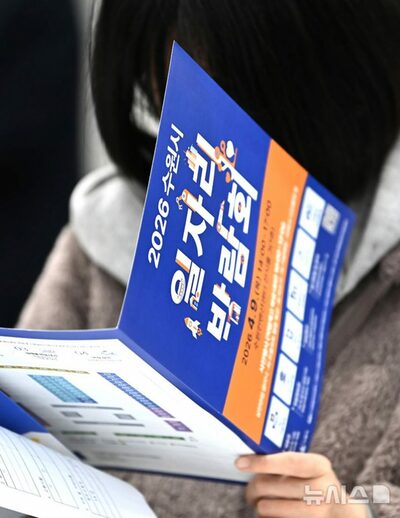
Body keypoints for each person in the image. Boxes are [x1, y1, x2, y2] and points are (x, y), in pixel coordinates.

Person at [17, 1, 400, 517]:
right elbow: (24, 431)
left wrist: (351, 512)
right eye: (169, 98)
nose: (212, 147)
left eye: (232, 103)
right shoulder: (106, 233)